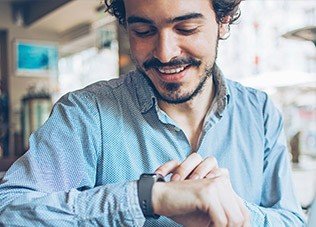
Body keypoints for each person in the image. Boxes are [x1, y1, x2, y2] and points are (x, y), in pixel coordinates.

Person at [0, 0, 306, 226]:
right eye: (143, 31)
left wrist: (232, 212)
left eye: (187, 28)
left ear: (223, 20)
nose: (164, 52)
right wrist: (148, 198)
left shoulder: (260, 111)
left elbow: (292, 219)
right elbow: (10, 211)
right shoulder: (84, 114)